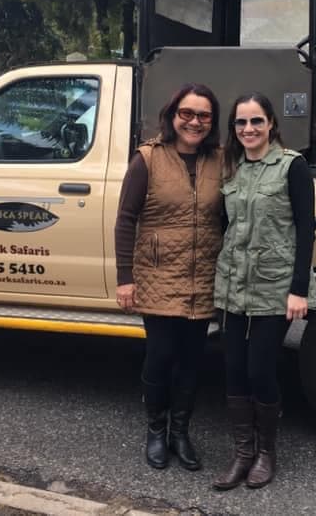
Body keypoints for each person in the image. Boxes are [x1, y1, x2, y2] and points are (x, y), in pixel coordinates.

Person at [114, 83, 223, 471]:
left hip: (203, 276)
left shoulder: (221, 160)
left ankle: (181, 432)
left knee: (192, 361)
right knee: (160, 358)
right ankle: (156, 431)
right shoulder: (148, 159)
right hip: (158, 276)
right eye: (187, 114)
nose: (195, 122)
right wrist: (125, 278)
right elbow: (126, 219)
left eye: (204, 115)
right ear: (173, 115)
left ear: (212, 122)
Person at [212, 93, 316, 490]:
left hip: (275, 285)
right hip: (233, 282)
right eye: (241, 123)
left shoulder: (293, 167)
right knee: (234, 369)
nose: (248, 130)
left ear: (271, 123)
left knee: (260, 370)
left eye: (256, 121)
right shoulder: (231, 167)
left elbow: (307, 229)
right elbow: (226, 225)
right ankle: (242, 454)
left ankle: (266, 453)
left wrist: (298, 289)